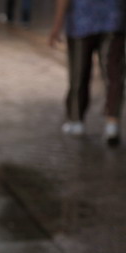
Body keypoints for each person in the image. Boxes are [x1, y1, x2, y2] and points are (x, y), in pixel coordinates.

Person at [48, 0, 124, 146]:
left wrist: (57, 24)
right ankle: (112, 123)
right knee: (113, 73)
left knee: (79, 71)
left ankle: (76, 120)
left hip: (80, 19)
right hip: (113, 18)